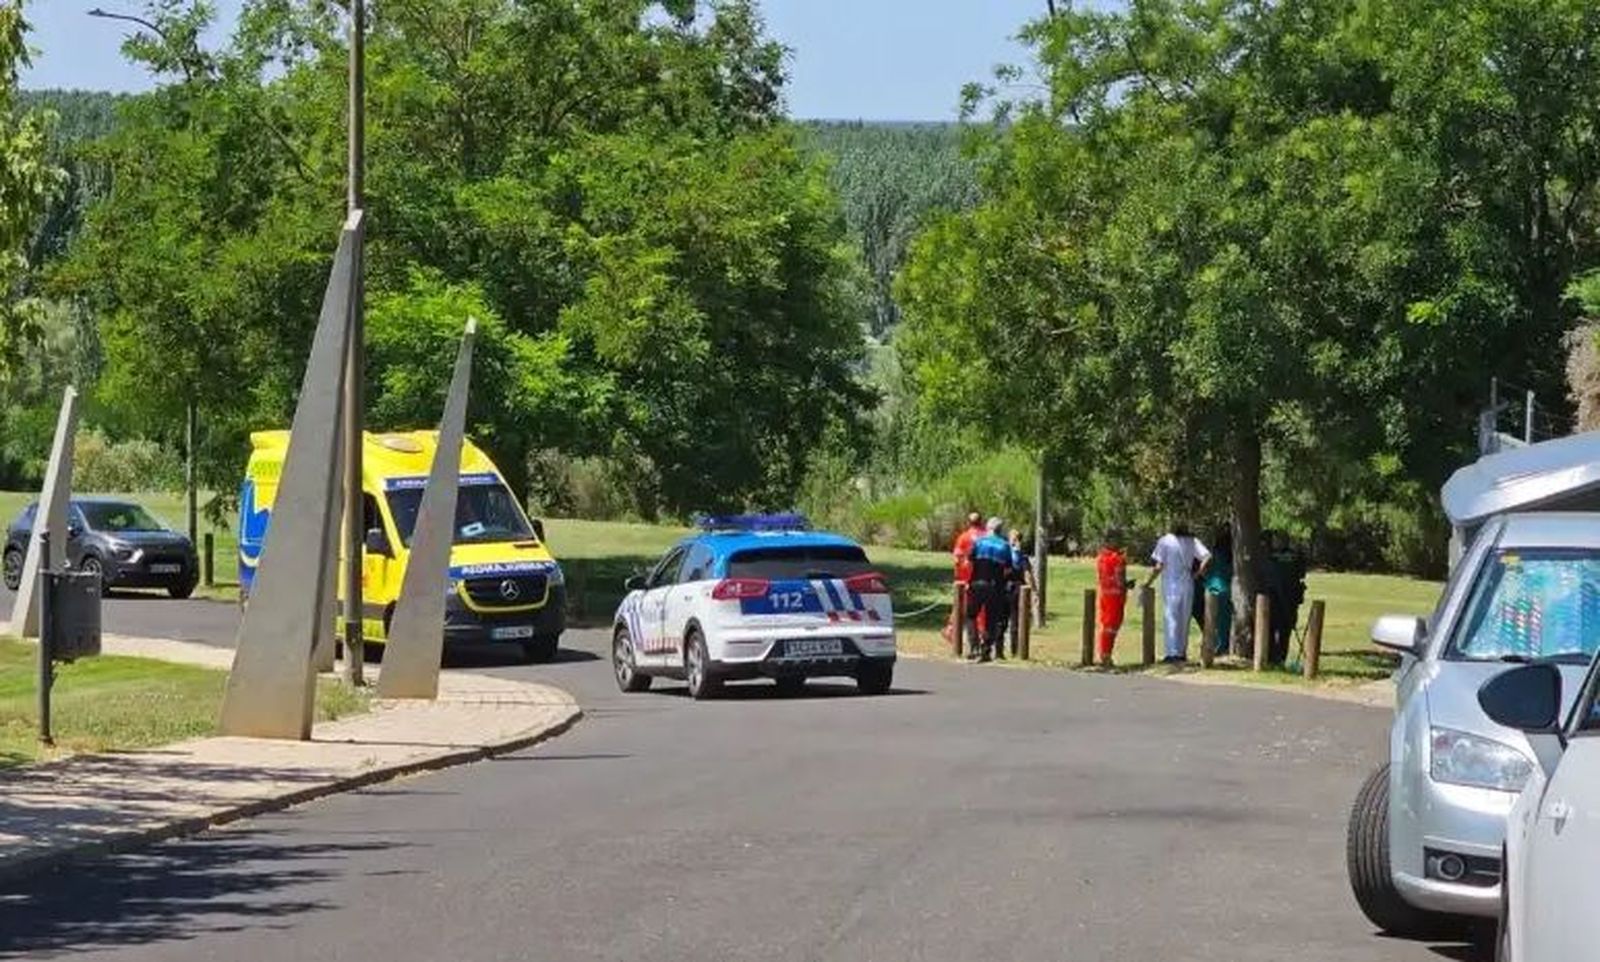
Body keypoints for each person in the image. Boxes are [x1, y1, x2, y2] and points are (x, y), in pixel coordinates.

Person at [1143, 523, 1211, 663]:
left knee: (1171, 617)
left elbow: (1159, 566)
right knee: (1184, 618)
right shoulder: (1192, 541)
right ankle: (1181, 652)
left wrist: (1148, 582)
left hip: (1171, 584)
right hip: (1188, 582)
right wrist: (1198, 573)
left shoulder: (1165, 541)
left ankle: (1172, 652)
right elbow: (1207, 555)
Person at [964, 517, 1014, 663]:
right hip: (995, 587)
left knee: (970, 615)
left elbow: (968, 562)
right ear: (1000, 530)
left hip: (977, 583)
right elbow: (1008, 569)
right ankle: (986, 651)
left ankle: (974, 647)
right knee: (991, 620)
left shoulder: (979, 542)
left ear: (988, 528)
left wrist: (969, 579)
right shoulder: (1005, 546)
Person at [1264, 530, 1307, 665]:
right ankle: (1280, 658)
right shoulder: (1296, 556)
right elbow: (1302, 574)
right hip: (1289, 599)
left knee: (1272, 629)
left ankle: (1272, 658)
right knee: (1284, 631)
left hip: (1275, 599)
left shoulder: (1268, 556)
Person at [944, 512, 986, 644]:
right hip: (982, 577)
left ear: (969, 523)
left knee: (960, 605)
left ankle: (951, 631)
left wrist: (958, 576)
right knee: (981, 608)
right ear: (981, 522)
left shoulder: (963, 537)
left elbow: (957, 559)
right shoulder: (986, 537)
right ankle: (981, 633)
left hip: (965, 579)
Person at [1095, 528, 1131, 667]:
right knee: (1112, 625)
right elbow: (1120, 579)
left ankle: (1104, 653)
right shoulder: (1118, 559)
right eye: (1117, 539)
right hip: (1116, 596)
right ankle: (1106, 654)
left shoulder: (1100, 557)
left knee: (1105, 624)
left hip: (1104, 594)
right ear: (1111, 540)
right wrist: (1127, 584)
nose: (1119, 542)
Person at [1002, 528, 1036, 659]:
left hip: (1008, 589)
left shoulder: (1006, 554)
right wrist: (1034, 590)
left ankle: (1003, 650)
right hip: (1015, 589)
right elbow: (1028, 575)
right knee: (1012, 621)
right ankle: (1012, 650)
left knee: (1006, 621)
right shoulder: (1021, 556)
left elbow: (1027, 574)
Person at [1202, 524, 1233, 657]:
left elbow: (1203, 567)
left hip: (1212, 587)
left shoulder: (1214, 552)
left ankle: (1212, 647)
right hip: (1227, 588)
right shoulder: (1234, 554)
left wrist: (1208, 577)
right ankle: (1223, 646)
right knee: (1225, 621)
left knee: (1211, 619)